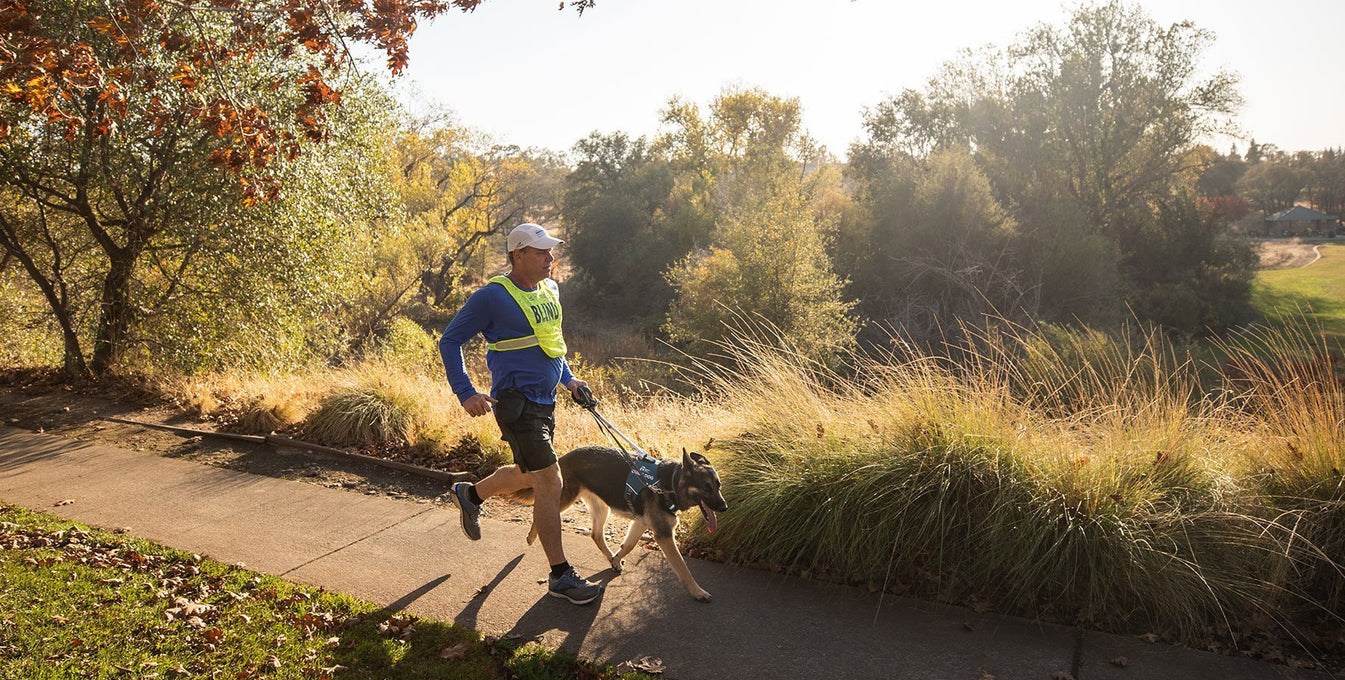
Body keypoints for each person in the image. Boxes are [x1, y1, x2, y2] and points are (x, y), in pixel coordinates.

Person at [438, 222, 603, 605]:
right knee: (550, 480)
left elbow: (550, 346)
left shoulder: (550, 289)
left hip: (547, 401)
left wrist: (571, 380)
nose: (550, 258)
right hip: (515, 404)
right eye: (541, 252)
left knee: (529, 473)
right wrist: (465, 392)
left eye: (551, 251)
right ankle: (560, 575)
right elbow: (450, 341)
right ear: (518, 255)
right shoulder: (492, 297)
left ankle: (471, 494)